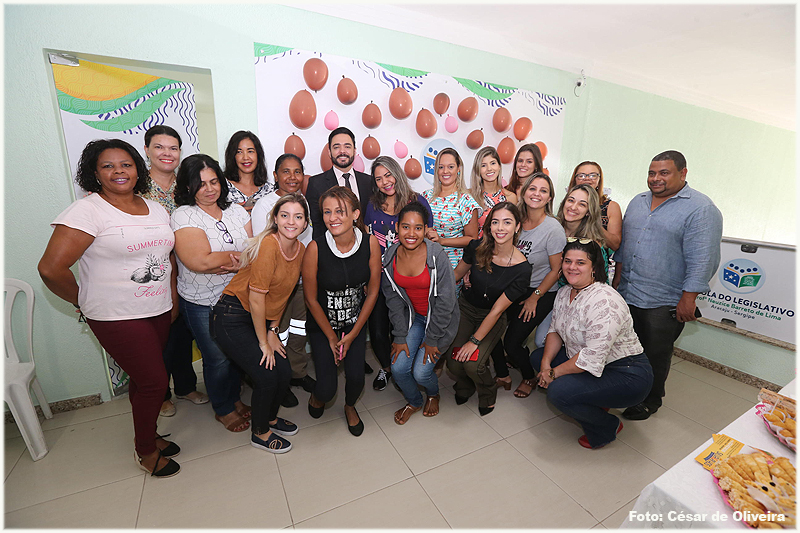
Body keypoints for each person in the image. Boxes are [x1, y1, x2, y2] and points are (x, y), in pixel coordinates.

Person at [38, 139, 181, 477]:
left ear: (138, 170)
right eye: (108, 165)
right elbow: (50, 268)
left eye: (126, 164)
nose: (119, 171)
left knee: (143, 380)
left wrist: (172, 298)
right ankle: (145, 450)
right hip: (116, 315)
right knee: (155, 382)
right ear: (95, 173)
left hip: (158, 309)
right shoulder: (87, 211)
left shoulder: (156, 209)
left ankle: (149, 434)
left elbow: (167, 258)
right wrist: (82, 300)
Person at [613, 150, 723, 421]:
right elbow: (624, 249)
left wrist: (689, 298)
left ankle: (650, 401)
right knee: (626, 348)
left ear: (683, 173)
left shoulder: (701, 209)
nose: (656, 178)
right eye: (652, 173)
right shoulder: (638, 202)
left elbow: (703, 259)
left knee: (655, 354)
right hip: (628, 292)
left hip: (664, 300)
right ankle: (626, 389)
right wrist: (616, 286)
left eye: (664, 172)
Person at [531, 239, 654, 449]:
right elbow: (555, 331)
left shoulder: (605, 301)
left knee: (558, 392)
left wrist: (552, 373)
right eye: (568, 261)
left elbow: (591, 357)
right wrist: (545, 366)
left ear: (594, 267)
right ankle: (594, 399)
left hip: (626, 373)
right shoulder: (565, 292)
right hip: (592, 363)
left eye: (580, 262)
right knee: (538, 357)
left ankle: (607, 427)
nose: (572, 267)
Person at [210, 193, 309, 453]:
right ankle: (260, 432)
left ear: (305, 223)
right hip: (232, 317)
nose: (291, 222)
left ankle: (270, 418)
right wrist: (264, 342)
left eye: (298, 217)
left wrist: (274, 330)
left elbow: (283, 295)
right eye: (285, 215)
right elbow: (256, 298)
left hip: (260, 318)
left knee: (283, 371)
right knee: (266, 374)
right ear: (275, 218)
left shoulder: (300, 250)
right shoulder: (268, 244)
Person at [171, 154, 253, 433]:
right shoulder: (184, 215)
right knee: (216, 357)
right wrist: (237, 259)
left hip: (237, 297)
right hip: (202, 302)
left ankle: (235, 398)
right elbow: (199, 261)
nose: (209, 189)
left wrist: (226, 260)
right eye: (201, 183)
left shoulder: (237, 211)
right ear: (188, 186)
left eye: (214, 181)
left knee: (234, 354)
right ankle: (223, 408)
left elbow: (254, 251)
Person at [141, 125, 208, 418]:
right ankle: (161, 395)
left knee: (181, 334)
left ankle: (185, 387)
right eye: (159, 147)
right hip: (152, 273)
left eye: (173, 148)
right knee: (157, 338)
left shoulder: (187, 185)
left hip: (187, 271)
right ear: (147, 150)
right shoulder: (136, 187)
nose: (166, 153)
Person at [302, 187, 381, 436]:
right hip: (323, 325)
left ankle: (349, 406)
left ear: (355, 214)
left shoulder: (370, 243)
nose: (332, 218)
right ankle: (317, 397)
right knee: (327, 389)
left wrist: (354, 334)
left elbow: (372, 292)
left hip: (353, 325)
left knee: (356, 379)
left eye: (339, 211)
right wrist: (332, 337)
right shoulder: (315, 248)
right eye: (327, 212)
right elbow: (311, 299)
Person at [448, 202, 532, 416]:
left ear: (517, 227)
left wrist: (474, 341)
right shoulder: (476, 247)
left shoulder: (522, 269)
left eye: (507, 222)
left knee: (473, 364)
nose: (500, 228)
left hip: (493, 316)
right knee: (454, 361)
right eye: (495, 222)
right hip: (466, 308)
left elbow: (496, 311)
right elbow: (456, 274)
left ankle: (487, 392)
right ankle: (465, 386)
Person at [382, 202, 459, 424]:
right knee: (398, 368)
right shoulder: (390, 257)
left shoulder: (436, 255)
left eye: (418, 228)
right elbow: (393, 300)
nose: (411, 233)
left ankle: (433, 394)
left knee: (421, 373)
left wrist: (433, 339)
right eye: (405, 227)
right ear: (397, 227)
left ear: (426, 229)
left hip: (441, 322)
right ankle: (414, 401)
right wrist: (399, 336)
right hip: (414, 319)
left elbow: (446, 301)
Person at [365, 156, 434, 391]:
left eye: (388, 175)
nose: (385, 182)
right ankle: (387, 368)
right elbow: (368, 240)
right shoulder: (373, 205)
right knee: (377, 330)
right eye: (378, 178)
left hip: (409, 278)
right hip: (380, 277)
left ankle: (405, 367)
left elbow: (429, 237)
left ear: (397, 173)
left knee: (406, 327)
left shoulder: (417, 201)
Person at [251, 154, 315, 408]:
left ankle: (298, 372)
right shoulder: (264, 204)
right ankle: (282, 379)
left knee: (299, 330)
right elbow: (265, 246)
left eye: (297, 171)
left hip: (300, 281)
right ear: (275, 175)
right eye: (286, 171)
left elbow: (305, 242)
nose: (292, 177)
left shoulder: (303, 202)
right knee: (279, 332)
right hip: (277, 285)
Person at [493, 172, 565, 398]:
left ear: (549, 197)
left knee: (512, 342)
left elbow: (556, 270)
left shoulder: (553, 228)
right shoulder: (515, 220)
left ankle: (528, 376)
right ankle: (503, 374)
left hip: (541, 290)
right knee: (490, 328)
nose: (536, 194)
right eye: (532, 188)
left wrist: (535, 297)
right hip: (514, 287)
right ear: (524, 193)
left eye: (543, 191)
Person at [305, 127, 372, 241]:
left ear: (354, 151)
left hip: (363, 246)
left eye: (347, 146)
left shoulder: (368, 182)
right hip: (330, 247)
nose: (342, 151)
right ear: (329, 152)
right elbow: (317, 226)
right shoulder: (316, 184)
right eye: (336, 147)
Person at [422, 147, 480, 269]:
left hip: (452, 266)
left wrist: (442, 241)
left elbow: (472, 239)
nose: (445, 171)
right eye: (441, 167)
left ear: (458, 169)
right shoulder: (426, 197)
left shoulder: (466, 201)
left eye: (451, 167)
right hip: (425, 262)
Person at [565, 161, 622, 251]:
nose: (587, 179)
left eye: (593, 175)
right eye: (581, 175)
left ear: (599, 179)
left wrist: (593, 223)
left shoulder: (611, 206)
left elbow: (615, 245)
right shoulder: (569, 204)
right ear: (575, 179)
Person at [469, 146, 517, 233]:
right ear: (478, 170)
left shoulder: (510, 197)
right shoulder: (469, 196)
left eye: (493, 163)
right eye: (483, 165)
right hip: (477, 242)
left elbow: (513, 230)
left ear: (499, 166)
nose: (489, 168)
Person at [222, 130, 272, 213]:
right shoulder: (222, 187)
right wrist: (232, 213)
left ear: (258, 154)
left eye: (250, 151)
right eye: (239, 152)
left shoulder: (269, 190)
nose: (245, 157)